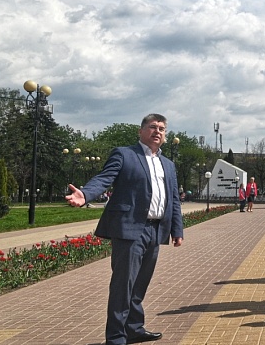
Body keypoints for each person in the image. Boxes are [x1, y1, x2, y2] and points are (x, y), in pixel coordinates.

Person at [65, 113, 183, 345]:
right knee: (123, 284)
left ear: (165, 135)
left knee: (140, 283)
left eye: (161, 128)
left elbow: (174, 199)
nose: (157, 131)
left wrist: (177, 229)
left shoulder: (167, 164)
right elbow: (104, 178)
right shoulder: (125, 154)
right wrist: (86, 194)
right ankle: (116, 337)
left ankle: (134, 328)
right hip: (130, 228)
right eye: (152, 127)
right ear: (141, 131)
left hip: (155, 229)